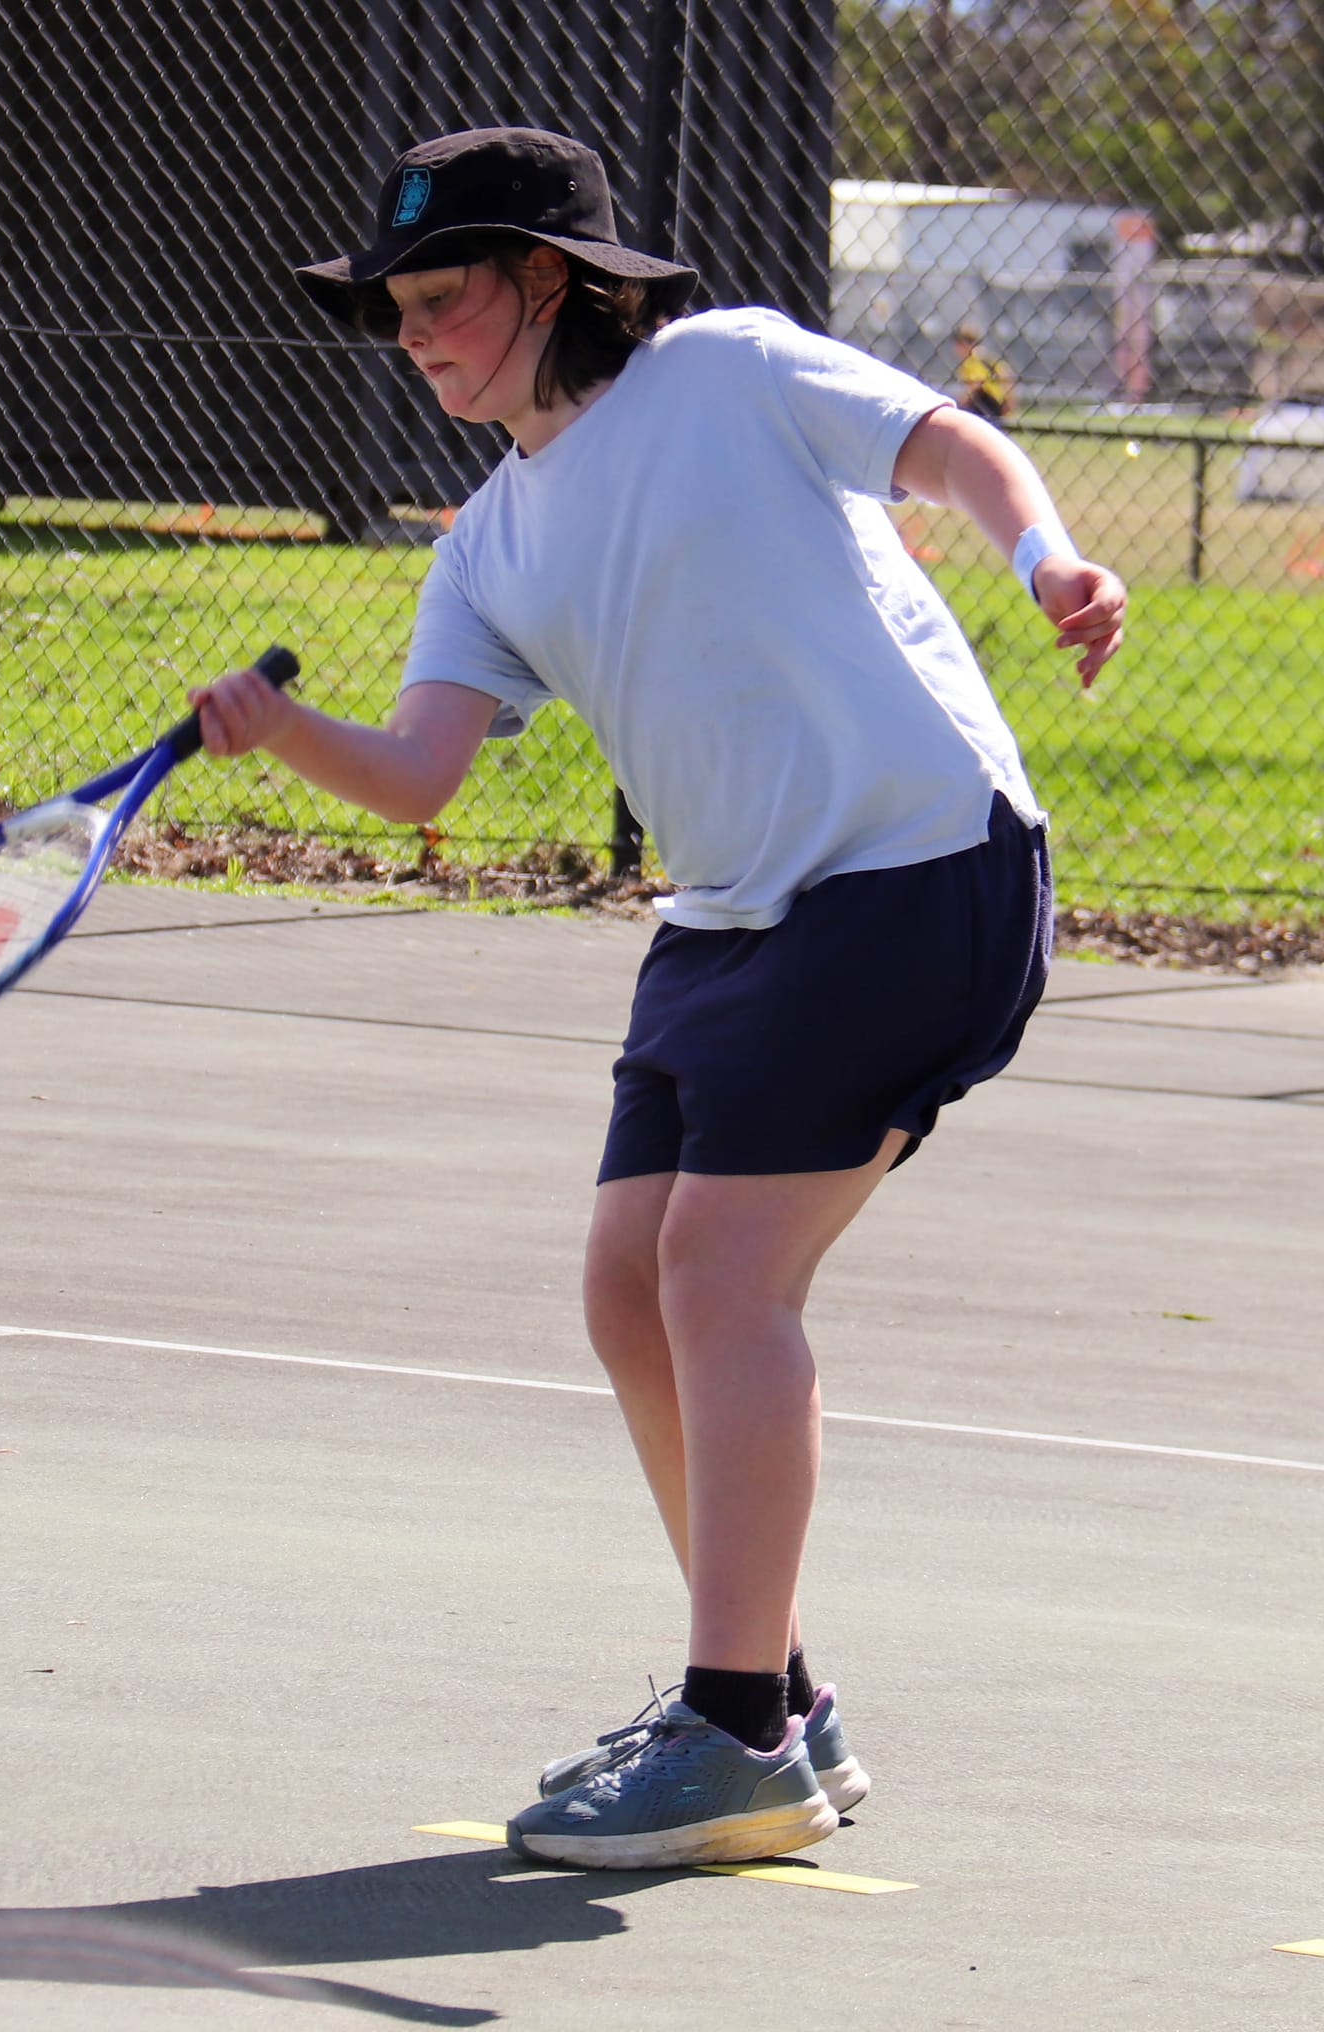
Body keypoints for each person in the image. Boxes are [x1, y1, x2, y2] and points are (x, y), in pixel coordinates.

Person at [191, 128, 1125, 1871]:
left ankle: (733, 1730)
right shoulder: (485, 543)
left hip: (920, 861)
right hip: (728, 919)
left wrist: (1051, 560)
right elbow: (416, 777)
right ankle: (777, 1689)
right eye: (390, 308)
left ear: (555, 283)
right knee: (632, 1286)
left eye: (441, 294)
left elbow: (958, 449)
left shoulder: (726, 370)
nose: (411, 333)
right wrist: (278, 728)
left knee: (719, 1268)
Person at [952, 320, 1018, 422]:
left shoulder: (972, 360)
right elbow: (1006, 375)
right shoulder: (987, 357)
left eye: (958, 345)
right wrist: (1009, 400)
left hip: (986, 401)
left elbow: (976, 385)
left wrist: (961, 402)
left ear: (964, 344)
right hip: (997, 401)